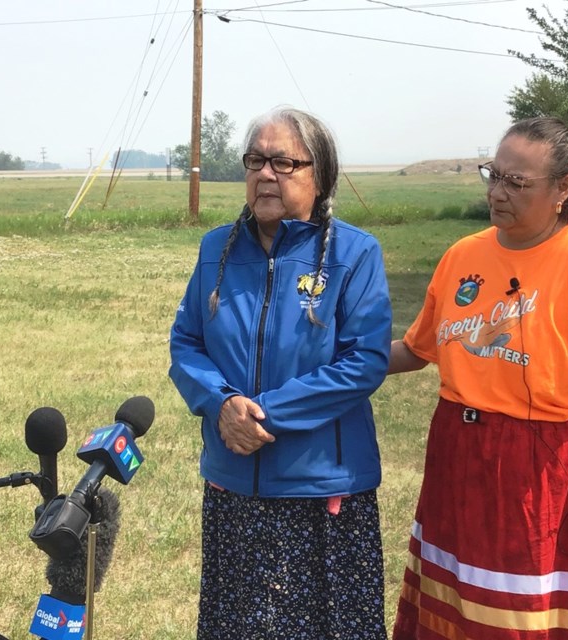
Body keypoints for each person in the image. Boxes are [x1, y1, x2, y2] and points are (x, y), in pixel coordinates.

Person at [387, 116, 568, 640]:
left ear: (562, 189)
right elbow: (417, 350)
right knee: (450, 601)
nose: (497, 193)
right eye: (493, 175)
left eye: (516, 182)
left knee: (514, 613)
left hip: (538, 464)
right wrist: (325, 356)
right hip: (456, 449)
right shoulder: (464, 255)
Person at [168, 106, 393, 640]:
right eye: (255, 160)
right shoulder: (215, 250)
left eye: (283, 162)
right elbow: (187, 342)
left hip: (320, 490)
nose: (265, 174)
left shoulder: (355, 253)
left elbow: (364, 360)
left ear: (321, 176)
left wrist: (264, 415)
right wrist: (221, 403)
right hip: (233, 483)